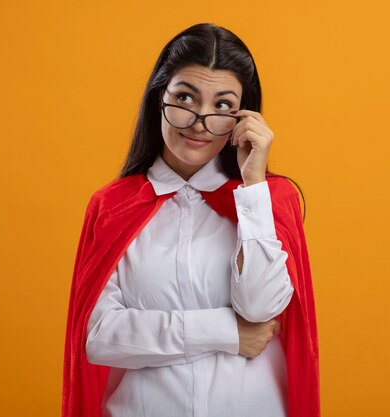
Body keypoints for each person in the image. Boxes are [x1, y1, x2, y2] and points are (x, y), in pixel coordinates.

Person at [62, 23, 320, 417]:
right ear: (158, 99)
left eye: (221, 105)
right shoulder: (112, 207)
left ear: (242, 117)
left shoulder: (267, 200)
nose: (200, 120)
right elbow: (99, 337)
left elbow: (260, 307)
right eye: (185, 97)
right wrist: (226, 333)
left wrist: (252, 186)